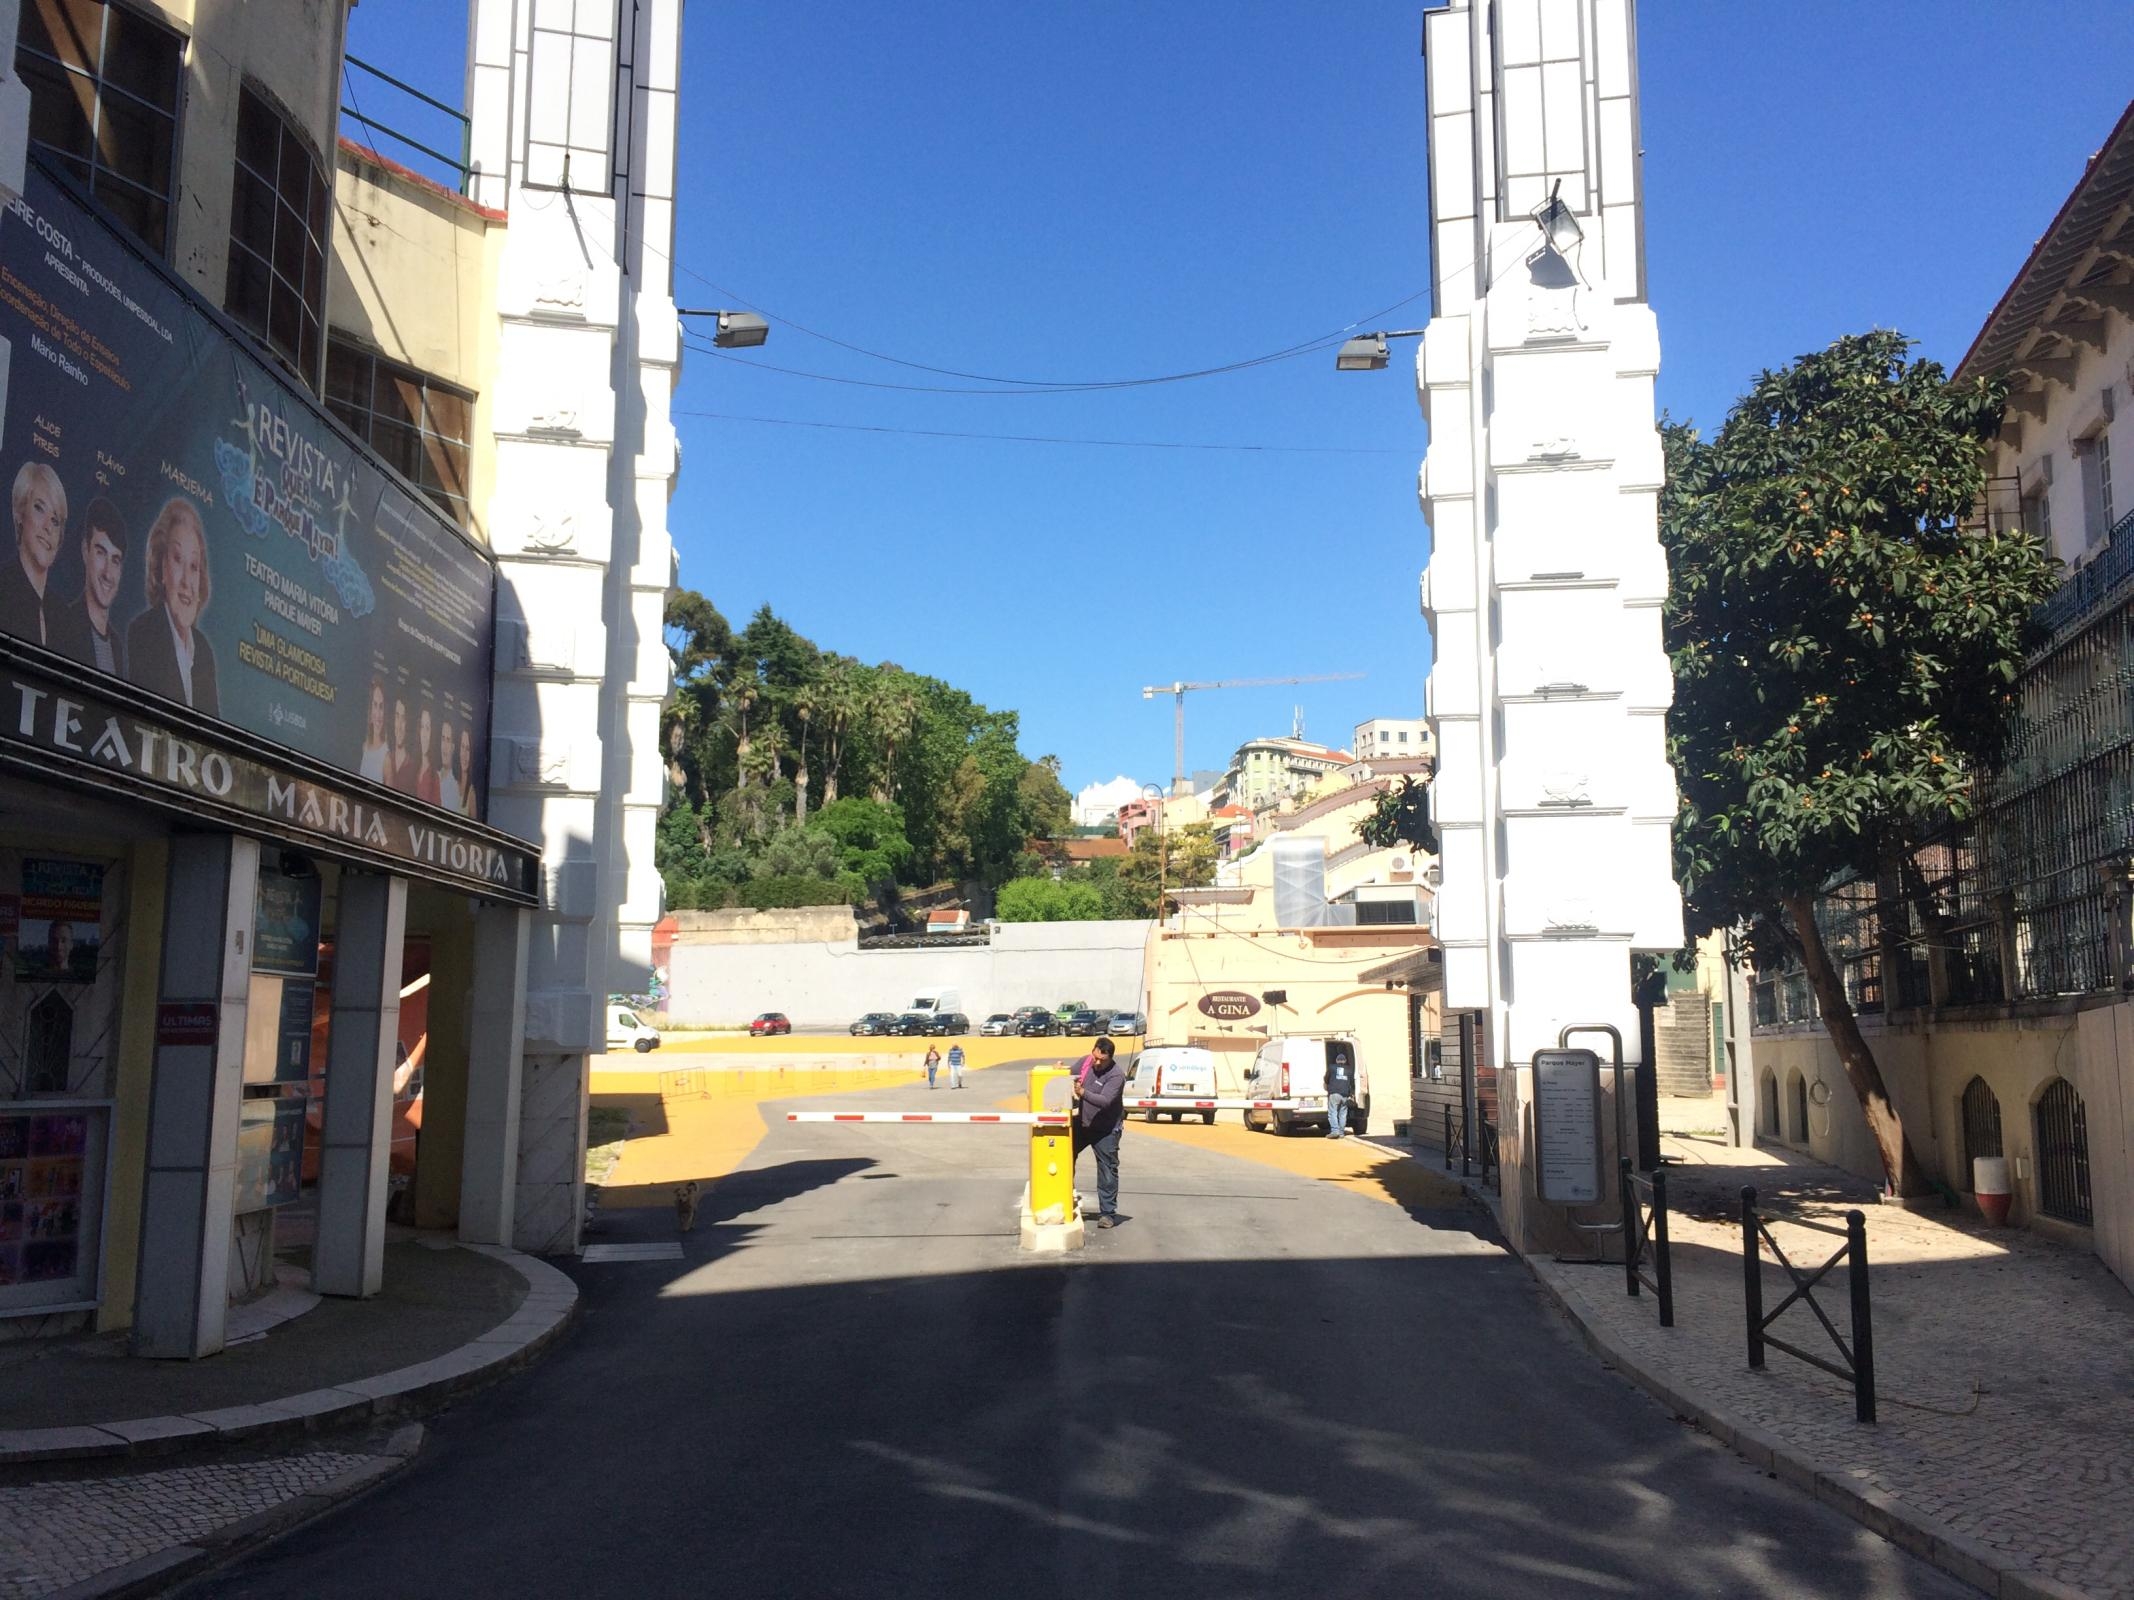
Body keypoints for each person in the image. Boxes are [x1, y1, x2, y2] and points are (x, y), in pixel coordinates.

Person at [126, 498, 218, 715]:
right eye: (178, 559)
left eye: (194, 566)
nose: (187, 581)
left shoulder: (203, 650)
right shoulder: (143, 632)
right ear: (162, 566)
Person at [49, 497, 127, 677]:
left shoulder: (116, 645)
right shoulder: (63, 624)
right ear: (85, 551)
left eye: (115, 560)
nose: (108, 573)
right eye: (101, 553)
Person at [0, 462, 66, 647]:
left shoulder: (62, 614)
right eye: (39, 508)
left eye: (55, 520)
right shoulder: (3, 589)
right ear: (20, 513)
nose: (48, 527)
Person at [1072, 1035, 1126, 1228]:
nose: (1096, 1062)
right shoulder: (1086, 1063)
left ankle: (1108, 1214)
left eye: (1101, 1060)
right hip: (1082, 1123)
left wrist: (1084, 1093)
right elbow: (1069, 1075)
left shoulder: (1116, 1075)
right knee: (1064, 1155)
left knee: (1107, 1169)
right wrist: (1059, 1069)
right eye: (1095, 1057)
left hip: (1106, 1130)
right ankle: (1064, 1194)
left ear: (1110, 1058)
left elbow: (1105, 1101)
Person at [358, 677, 390, 783]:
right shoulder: (364, 747)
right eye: (375, 705)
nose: (378, 714)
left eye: (381, 707)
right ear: (370, 709)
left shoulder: (387, 758)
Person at [1325, 1043, 1357, 1140]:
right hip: (1345, 1094)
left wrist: (1328, 1084)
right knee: (1343, 1114)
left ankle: (1335, 1131)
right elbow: (1352, 1083)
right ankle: (1342, 1133)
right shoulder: (1349, 1070)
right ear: (1345, 1061)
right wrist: (1352, 1094)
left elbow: (1326, 1079)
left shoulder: (1331, 1067)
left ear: (1336, 1061)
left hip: (1334, 1093)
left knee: (1333, 1112)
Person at [387, 697, 415, 792]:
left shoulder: (413, 768)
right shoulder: (385, 758)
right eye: (397, 716)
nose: (399, 726)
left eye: (403, 719)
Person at [415, 706, 441, 805]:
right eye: (422, 727)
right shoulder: (414, 767)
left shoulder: (435, 777)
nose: (424, 734)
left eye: (428, 728)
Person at [437, 717, 462, 813]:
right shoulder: (435, 774)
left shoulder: (455, 786)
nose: (445, 746)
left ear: (453, 747)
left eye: (448, 740)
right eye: (443, 739)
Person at [458, 726, 480, 818]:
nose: (464, 754)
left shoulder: (471, 794)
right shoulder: (450, 781)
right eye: (462, 747)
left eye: (468, 749)